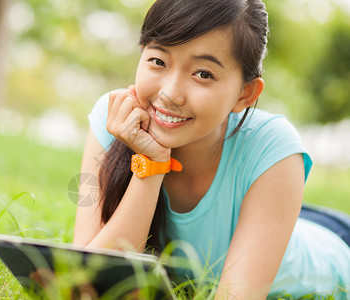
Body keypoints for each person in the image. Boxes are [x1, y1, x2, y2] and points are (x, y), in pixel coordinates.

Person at [73, 0, 350, 299]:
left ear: (245, 94)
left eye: (203, 74)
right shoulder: (113, 118)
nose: (170, 93)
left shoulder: (273, 146)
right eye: (158, 61)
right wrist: (151, 166)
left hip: (333, 253)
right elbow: (83, 279)